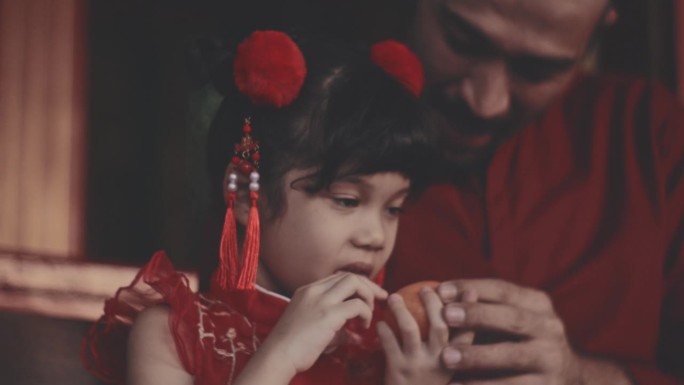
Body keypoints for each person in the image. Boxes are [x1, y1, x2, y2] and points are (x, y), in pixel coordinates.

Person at [82, 31, 464, 385]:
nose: (376, 237)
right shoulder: (173, 334)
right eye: (347, 200)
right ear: (251, 197)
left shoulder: (377, 350)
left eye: (394, 209)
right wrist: (280, 356)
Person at [381, 0, 684, 384]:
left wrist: (581, 376)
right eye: (463, 41)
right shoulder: (309, 128)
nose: (487, 104)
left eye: (538, 71)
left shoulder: (650, 135)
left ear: (603, 24)